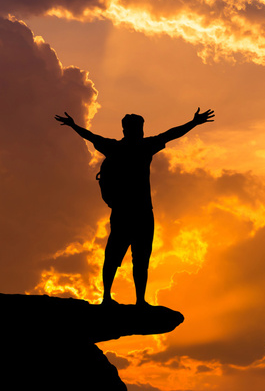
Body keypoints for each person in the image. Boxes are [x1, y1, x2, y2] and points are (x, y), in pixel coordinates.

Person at [55, 108, 214, 306]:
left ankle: (116, 298)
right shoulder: (143, 147)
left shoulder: (115, 148)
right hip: (139, 212)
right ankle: (126, 300)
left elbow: (90, 136)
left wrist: (73, 126)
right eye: (138, 127)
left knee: (122, 255)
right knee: (132, 257)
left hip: (127, 211)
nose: (141, 131)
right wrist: (194, 123)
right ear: (132, 129)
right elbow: (172, 134)